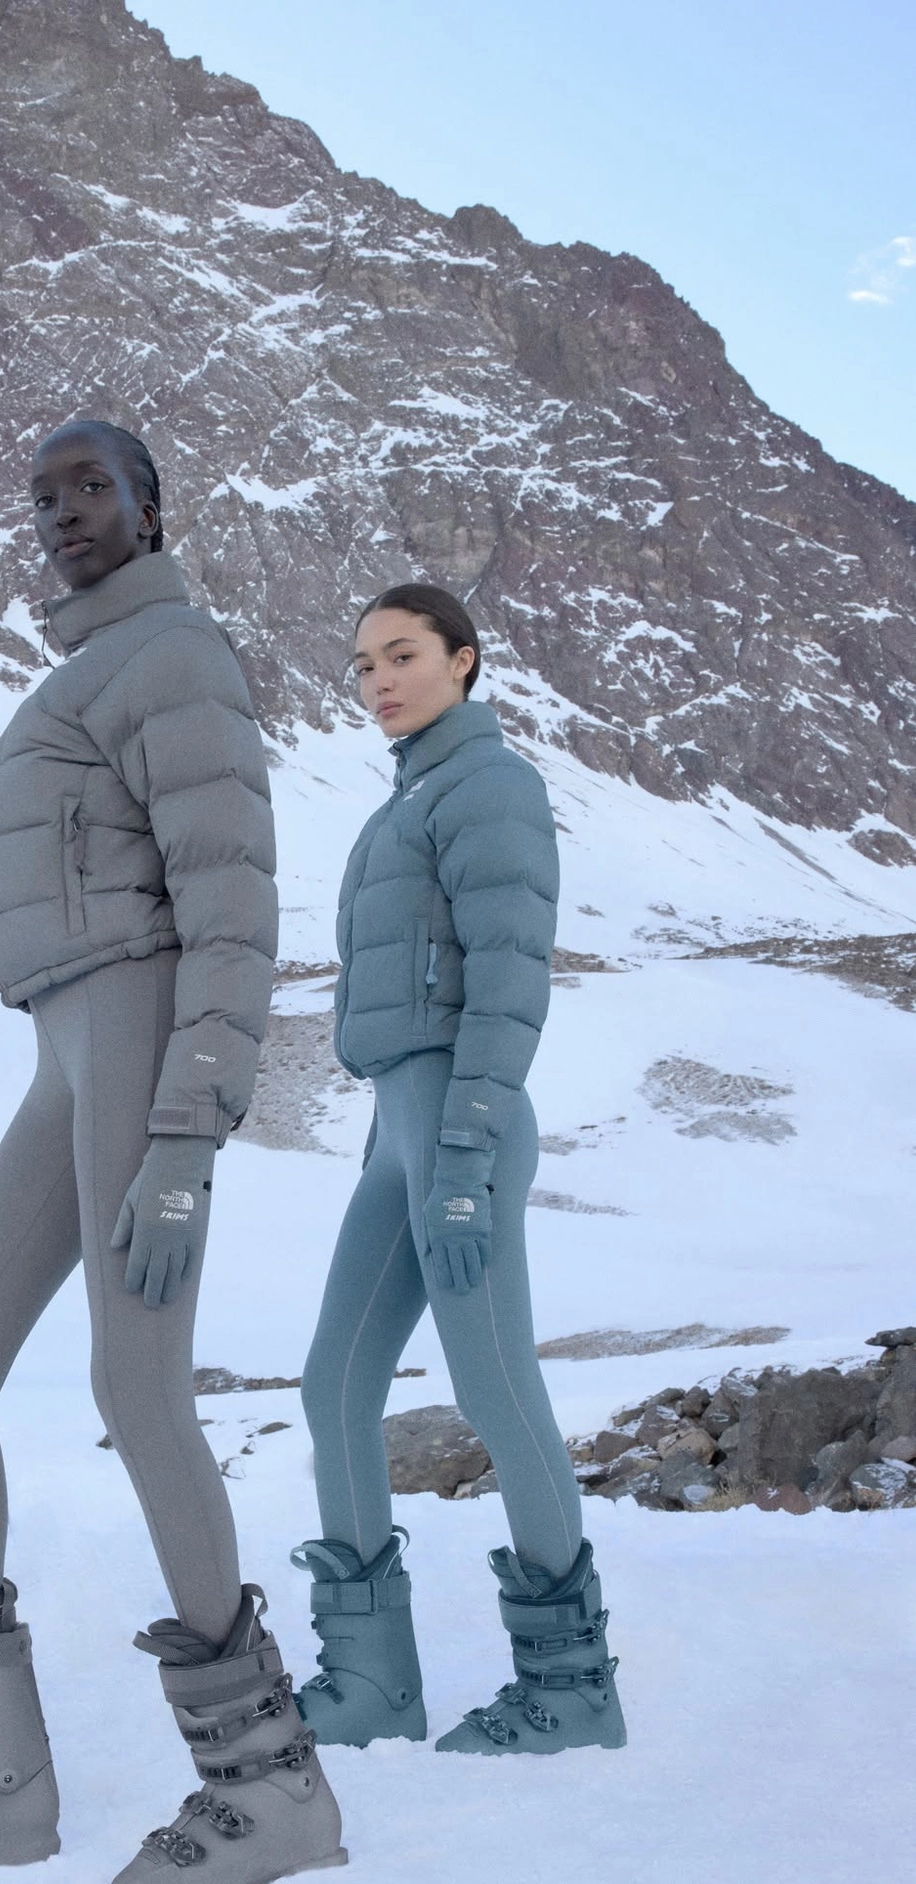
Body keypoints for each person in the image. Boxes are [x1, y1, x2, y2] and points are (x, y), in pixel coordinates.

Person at [0, 420, 346, 1884]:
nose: (63, 514)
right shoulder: (85, 671)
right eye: (44, 495)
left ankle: (270, 1788)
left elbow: (233, 915)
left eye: (92, 489)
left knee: (138, 1386)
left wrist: (186, 1140)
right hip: (66, 1044)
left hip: (134, 1034)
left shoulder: (174, 654)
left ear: (151, 507)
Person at [290, 583, 626, 1757]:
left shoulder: (491, 785)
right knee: (331, 1378)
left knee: (494, 1387)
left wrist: (468, 1154)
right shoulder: (413, 794)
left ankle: (571, 1685)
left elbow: (509, 972)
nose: (378, 678)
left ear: (464, 662)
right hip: (398, 1123)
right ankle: (373, 1679)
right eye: (363, 662)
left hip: (455, 1122)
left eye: (402, 655)